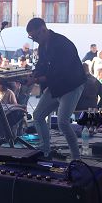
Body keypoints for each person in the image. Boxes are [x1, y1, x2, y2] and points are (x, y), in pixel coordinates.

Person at [26, 18, 85, 158]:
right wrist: (34, 74)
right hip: (57, 85)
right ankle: (45, 151)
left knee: (63, 122)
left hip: (72, 85)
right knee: (38, 116)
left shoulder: (62, 44)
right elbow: (42, 65)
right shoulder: (42, 46)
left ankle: (76, 157)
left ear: (43, 30)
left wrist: (36, 79)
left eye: (34, 36)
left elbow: (60, 72)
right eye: (31, 37)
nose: (34, 40)